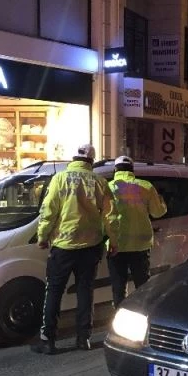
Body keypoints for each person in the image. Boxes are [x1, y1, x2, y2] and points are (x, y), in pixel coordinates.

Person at [33, 144, 119, 354]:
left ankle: (48, 339)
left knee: (54, 291)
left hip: (63, 246)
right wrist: (113, 241)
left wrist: (43, 236)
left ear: (73, 159)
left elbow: (48, 210)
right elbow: (111, 216)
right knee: (85, 291)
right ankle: (83, 339)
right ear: (91, 161)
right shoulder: (99, 182)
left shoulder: (60, 179)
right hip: (90, 247)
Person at [107, 155, 167, 307]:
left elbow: (104, 216)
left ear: (115, 170)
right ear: (132, 170)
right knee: (142, 286)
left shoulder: (109, 187)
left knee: (118, 287)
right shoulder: (146, 186)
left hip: (117, 245)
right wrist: (162, 201)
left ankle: (120, 314)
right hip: (140, 245)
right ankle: (142, 312)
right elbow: (157, 213)